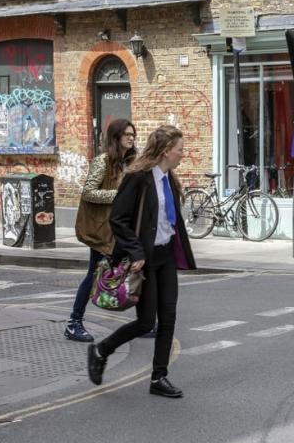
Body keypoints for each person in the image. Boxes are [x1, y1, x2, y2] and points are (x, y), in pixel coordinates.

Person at [87, 126, 198, 397]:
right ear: (166, 151)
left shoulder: (169, 180)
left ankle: (159, 377)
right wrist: (136, 252)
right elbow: (118, 219)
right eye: (180, 149)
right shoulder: (138, 178)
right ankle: (102, 350)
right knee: (146, 322)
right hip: (145, 260)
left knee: (168, 318)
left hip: (165, 256)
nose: (183, 154)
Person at [66, 119, 137, 343]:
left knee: (137, 269)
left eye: (133, 134)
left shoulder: (132, 162)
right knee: (94, 274)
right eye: (126, 134)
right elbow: (88, 193)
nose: (131, 138)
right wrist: (117, 195)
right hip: (103, 231)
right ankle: (73, 322)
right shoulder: (102, 161)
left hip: (123, 229)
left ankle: (146, 322)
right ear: (115, 137)